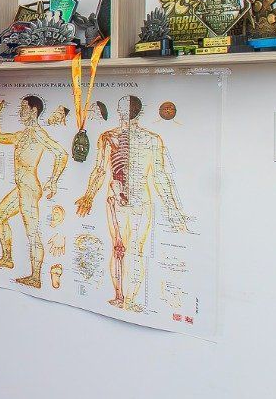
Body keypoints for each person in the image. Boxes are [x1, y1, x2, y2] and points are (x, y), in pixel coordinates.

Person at [75, 95, 190, 312]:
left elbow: (159, 175)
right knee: (119, 248)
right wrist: (88, 196)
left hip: (140, 201)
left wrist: (173, 209)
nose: (123, 113)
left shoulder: (151, 140)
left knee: (135, 250)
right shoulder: (108, 138)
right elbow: (100, 170)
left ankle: (131, 299)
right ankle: (120, 297)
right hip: (116, 199)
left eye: (125, 109)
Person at [0, 94, 66, 288]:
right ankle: (7, 258)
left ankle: (36, 277)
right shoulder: (22, 135)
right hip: (21, 187)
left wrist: (53, 180)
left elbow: (61, 154)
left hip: (30, 188)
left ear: (33, 111)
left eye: (24, 107)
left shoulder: (38, 133)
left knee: (32, 233)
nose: (20, 111)